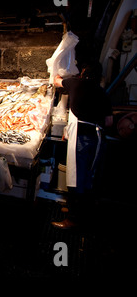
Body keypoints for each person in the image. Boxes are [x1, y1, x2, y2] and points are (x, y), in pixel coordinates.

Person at [52, 61, 113, 229]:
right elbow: (109, 121)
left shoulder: (76, 83)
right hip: (98, 138)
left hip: (82, 139)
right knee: (89, 177)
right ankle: (76, 211)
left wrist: (59, 68)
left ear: (83, 72)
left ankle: (73, 219)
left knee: (76, 177)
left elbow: (57, 80)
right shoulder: (103, 93)